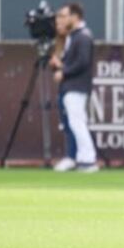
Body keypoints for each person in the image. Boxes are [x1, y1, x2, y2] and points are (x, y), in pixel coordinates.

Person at [49, 2, 97, 173]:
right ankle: (79, 157)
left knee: (78, 123)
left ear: (75, 17)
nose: (61, 20)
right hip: (71, 86)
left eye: (64, 15)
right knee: (73, 123)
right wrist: (59, 64)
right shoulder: (73, 36)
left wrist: (64, 71)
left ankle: (88, 159)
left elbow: (82, 62)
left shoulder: (83, 36)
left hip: (76, 87)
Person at [49, 10, 78, 170]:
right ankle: (71, 155)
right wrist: (55, 65)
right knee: (67, 124)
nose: (59, 25)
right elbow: (57, 71)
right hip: (64, 89)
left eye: (62, 20)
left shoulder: (76, 39)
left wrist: (61, 67)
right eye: (57, 22)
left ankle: (74, 156)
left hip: (74, 88)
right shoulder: (59, 43)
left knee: (75, 123)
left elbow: (78, 65)